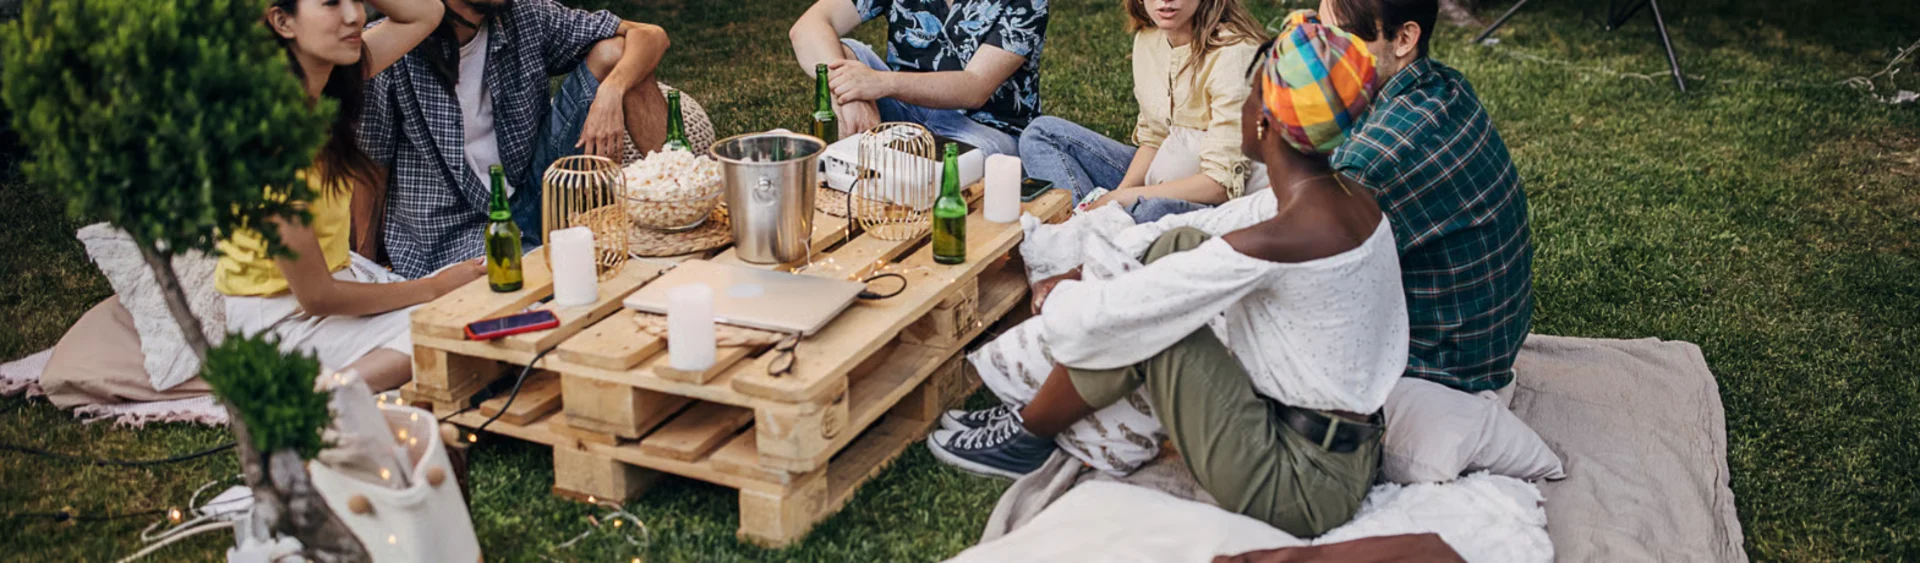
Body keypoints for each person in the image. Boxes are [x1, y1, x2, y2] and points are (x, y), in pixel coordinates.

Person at [929, 14, 1405, 537]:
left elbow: (1126, 309)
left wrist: (1061, 292)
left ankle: (1029, 431)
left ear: (1265, 122)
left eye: (1248, 97)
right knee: (1176, 245)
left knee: (1155, 325)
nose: (1240, 109)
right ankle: (1040, 419)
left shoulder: (1290, 235)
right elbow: (1199, 227)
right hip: (1336, 449)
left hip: (1299, 483)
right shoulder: (1341, 200)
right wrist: (1086, 265)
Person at [220, 0, 483, 392]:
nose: (354, 16)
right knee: (451, 329)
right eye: (330, 3)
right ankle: (323, 397)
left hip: (340, 281)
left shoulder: (332, 82)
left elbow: (426, 12)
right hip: (280, 317)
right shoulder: (266, 138)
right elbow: (316, 296)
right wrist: (434, 287)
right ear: (282, 21)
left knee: (485, 306)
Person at [360, 0, 672, 278]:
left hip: (535, 194)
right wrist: (365, 267)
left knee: (618, 53)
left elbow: (651, 35)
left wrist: (612, 91)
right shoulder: (389, 47)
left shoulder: (524, 14)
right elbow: (370, 169)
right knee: (548, 283)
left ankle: (677, 203)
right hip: (456, 238)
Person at [1318, 0, 1533, 396]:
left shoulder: (1373, 162)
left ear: (1404, 38)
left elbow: (1307, 278)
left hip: (1442, 370)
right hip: (1489, 343)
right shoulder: (1444, 85)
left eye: (1341, 37)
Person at [1019, 0, 1270, 223]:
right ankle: (1091, 222)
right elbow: (1153, 137)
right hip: (1162, 172)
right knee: (1042, 133)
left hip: (1217, 199)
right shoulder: (1149, 39)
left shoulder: (1235, 54)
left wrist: (1121, 199)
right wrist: (1118, 196)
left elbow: (1221, 185)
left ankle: (1091, 230)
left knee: (1153, 210)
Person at [788, 0, 1049, 156]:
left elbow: (975, 86)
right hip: (905, 109)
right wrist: (850, 95)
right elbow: (808, 27)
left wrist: (881, 83)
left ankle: (875, 160)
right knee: (842, 55)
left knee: (960, 170)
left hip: (982, 130)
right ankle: (861, 160)